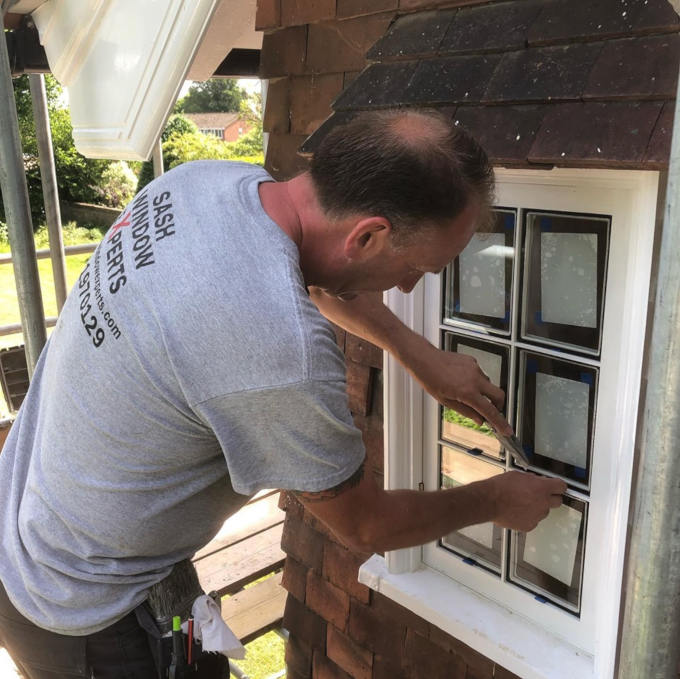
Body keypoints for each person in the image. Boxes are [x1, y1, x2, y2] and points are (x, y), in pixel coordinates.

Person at [0, 109, 566, 677]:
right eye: (416, 266)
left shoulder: (208, 183)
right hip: (80, 610)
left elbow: (301, 272)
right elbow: (366, 525)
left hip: (24, 518)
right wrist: (493, 500)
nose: (409, 286)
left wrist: (419, 356)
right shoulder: (281, 355)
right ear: (369, 235)